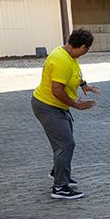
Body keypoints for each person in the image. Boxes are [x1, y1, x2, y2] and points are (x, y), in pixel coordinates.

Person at [32, 28, 100, 199]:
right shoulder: (61, 59)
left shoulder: (69, 54)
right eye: (87, 50)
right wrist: (77, 105)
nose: (85, 53)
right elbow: (57, 90)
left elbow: (73, 73)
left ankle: (59, 173)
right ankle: (60, 187)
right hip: (48, 106)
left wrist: (84, 84)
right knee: (65, 144)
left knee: (64, 143)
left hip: (57, 106)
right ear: (83, 47)